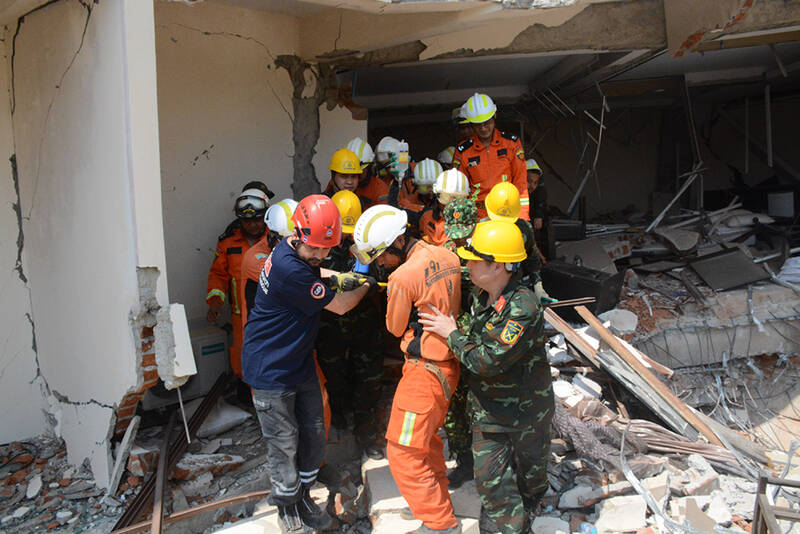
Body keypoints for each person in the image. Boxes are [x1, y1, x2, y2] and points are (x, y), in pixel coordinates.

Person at [242, 194, 374, 534]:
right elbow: (343, 306)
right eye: (314, 248)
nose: (319, 255)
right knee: (283, 442)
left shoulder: (291, 249)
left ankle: (302, 494)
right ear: (298, 235)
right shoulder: (288, 269)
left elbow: (315, 269)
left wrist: (337, 274)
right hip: (270, 369)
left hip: (296, 362)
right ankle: (287, 507)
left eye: (324, 249)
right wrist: (364, 282)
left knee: (314, 433)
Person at [418, 220, 555, 534]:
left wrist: (451, 333)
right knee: (491, 484)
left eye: (475, 260)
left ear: (498, 267)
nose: (468, 264)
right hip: (489, 413)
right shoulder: (482, 296)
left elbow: (486, 360)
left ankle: (524, 516)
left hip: (525, 413)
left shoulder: (522, 308)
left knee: (530, 483)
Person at [351, 205, 463, 534]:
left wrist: (390, 292)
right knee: (426, 443)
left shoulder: (402, 277)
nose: (379, 263)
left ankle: (440, 524)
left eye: (381, 255)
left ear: (399, 241)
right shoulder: (445, 255)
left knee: (402, 451)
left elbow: (395, 327)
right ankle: (435, 504)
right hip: (447, 363)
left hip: (424, 370)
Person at [316, 190, 385, 459]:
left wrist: (367, 278)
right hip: (330, 325)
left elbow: (379, 278)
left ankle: (367, 437)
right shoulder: (319, 245)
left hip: (364, 324)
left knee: (369, 380)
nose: (344, 236)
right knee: (333, 376)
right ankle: (339, 422)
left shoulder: (369, 242)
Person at [207, 183, 272, 378]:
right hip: (241, 317)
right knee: (243, 363)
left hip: (271, 315)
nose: (253, 225)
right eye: (247, 221)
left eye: (258, 220)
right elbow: (218, 275)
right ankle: (247, 400)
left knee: (270, 360)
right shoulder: (227, 243)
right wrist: (215, 302)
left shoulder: (276, 239)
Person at [439, 198, 478, 490]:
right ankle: (464, 461)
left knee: (482, 407)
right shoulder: (446, 254)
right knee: (454, 407)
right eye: (455, 231)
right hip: (453, 340)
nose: (460, 237)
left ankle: (492, 461)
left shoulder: (488, 251)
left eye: (465, 230)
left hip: (480, 342)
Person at [452, 93, 529, 220]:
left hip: (508, 212)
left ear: (495, 117)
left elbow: (520, 182)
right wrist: (465, 220)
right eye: (478, 125)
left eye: (487, 123)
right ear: (471, 124)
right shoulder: (463, 151)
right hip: (478, 216)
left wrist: (523, 218)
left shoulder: (511, 143)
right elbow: (459, 190)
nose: (483, 128)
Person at [484, 182, 552, 305]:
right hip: (486, 291)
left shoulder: (524, 229)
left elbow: (532, 260)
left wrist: (539, 288)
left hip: (513, 290)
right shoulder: (481, 230)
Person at [347, 137, 390, 209]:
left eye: (359, 173)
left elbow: (383, 216)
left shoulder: (379, 188)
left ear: (369, 167)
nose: (350, 181)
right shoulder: (339, 182)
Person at [526, 158, 550, 259]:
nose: (532, 186)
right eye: (529, 181)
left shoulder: (538, 193)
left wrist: (539, 215)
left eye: (535, 183)